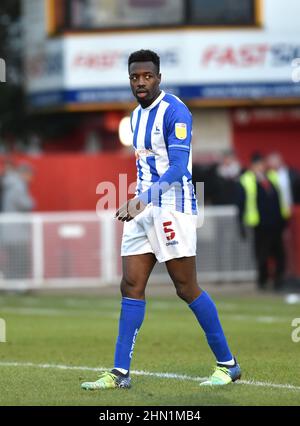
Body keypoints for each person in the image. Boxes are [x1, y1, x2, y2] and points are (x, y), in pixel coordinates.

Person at [81, 49, 241, 390]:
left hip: (172, 208)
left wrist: (142, 201)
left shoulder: (175, 112)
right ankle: (120, 373)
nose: (141, 82)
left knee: (186, 287)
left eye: (147, 76)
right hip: (144, 209)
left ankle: (228, 364)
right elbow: (144, 167)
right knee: (131, 285)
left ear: (159, 77)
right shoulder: (135, 117)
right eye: (135, 77)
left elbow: (180, 168)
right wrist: (139, 203)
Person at [237, 153, 290, 291]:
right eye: (258, 164)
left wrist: (283, 219)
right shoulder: (246, 179)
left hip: (275, 223)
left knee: (279, 254)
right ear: (252, 165)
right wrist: (241, 224)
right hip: (260, 224)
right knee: (262, 254)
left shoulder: (272, 177)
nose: (261, 167)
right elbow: (241, 204)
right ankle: (263, 281)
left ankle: (279, 281)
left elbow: (279, 199)